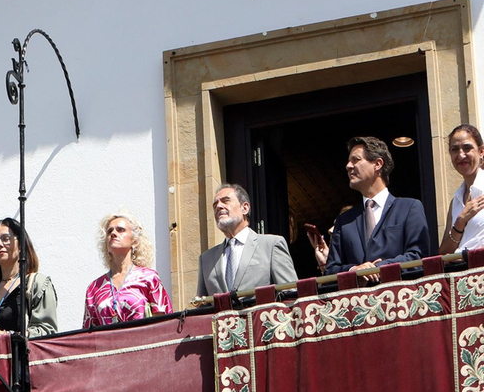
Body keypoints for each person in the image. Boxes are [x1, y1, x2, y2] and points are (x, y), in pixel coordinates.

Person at [309, 136, 432, 274]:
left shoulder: (409, 208)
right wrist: (355, 271)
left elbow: (418, 256)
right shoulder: (344, 221)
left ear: (378, 164)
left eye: (356, 160)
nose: (348, 166)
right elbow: (331, 269)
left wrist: (380, 268)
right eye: (349, 161)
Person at [196, 184, 297, 298]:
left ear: (245, 208)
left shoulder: (271, 245)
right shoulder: (206, 259)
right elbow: (202, 306)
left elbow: (290, 295)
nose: (219, 206)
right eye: (215, 205)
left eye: (225, 201)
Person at [83, 213, 171, 328]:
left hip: (141, 344)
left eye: (120, 230)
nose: (113, 234)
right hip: (109, 345)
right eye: (110, 232)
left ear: (134, 241)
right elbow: (88, 336)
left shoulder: (149, 278)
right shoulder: (94, 288)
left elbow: (165, 325)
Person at [0, 218, 60, 337]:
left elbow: (46, 332)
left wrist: (4, 336)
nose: (0, 244)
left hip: (22, 355)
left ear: (21, 245)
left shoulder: (37, 284)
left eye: (6, 239)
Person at [441, 124, 484, 255]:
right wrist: (460, 222)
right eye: (455, 149)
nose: (461, 155)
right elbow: (443, 253)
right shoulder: (456, 200)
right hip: (461, 273)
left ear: (481, 151)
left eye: (467, 148)